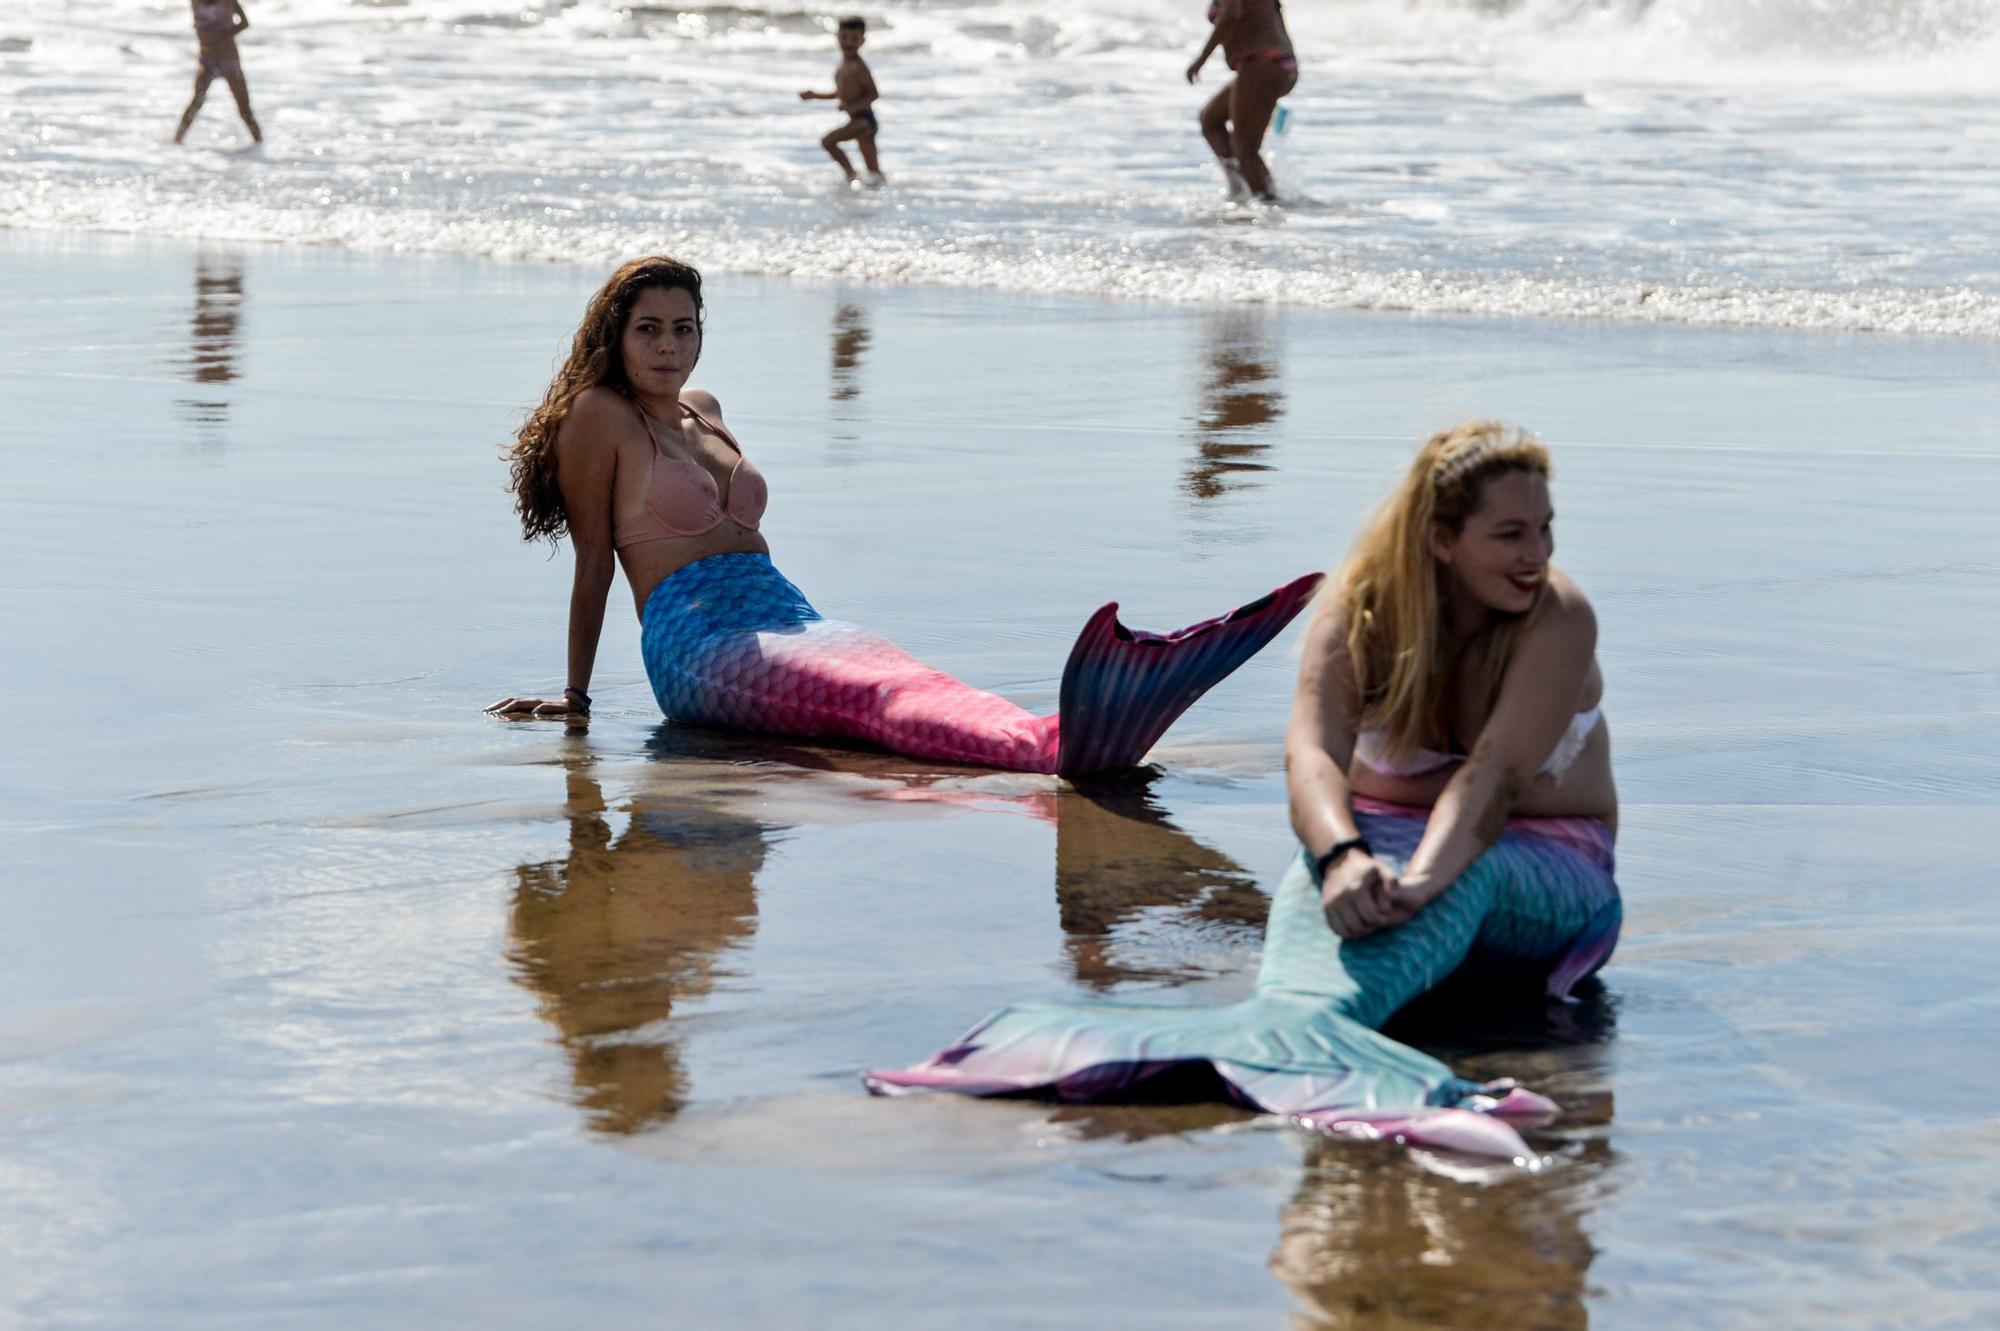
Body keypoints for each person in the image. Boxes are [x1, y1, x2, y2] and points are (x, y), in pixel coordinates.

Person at [869, 423, 1623, 1159]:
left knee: (1465, 876)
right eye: (1512, 533)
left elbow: (1493, 777)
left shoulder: (1555, 618)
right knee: (1301, 957)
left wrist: (1419, 881)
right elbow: (1312, 760)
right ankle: (1282, 1049)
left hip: (1545, 866)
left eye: (1546, 529)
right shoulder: (1360, 614)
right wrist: (1340, 860)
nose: (1538, 554)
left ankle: (1358, 1067)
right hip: (1381, 847)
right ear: (1439, 538)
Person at [488, 257, 1321, 776]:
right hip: (696, 642)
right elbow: (595, 563)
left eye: (683, 328)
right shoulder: (600, 415)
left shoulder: (703, 407)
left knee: (913, 682)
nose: (668, 347)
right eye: (648, 330)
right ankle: (1053, 746)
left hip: (788, 610)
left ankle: (1063, 727)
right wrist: (576, 699)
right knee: (873, 699)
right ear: (615, 335)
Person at [1185, 0, 1296, 202]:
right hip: (1271, 62)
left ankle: (1269, 205)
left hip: (1262, 63)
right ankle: (1241, 192)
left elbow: (1231, 13)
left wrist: (1201, 59)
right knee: (1210, 119)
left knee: (1245, 149)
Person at [798, 16, 885, 187]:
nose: (849, 42)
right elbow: (842, 93)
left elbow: (873, 94)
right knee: (874, 172)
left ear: (863, 41)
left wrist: (853, 106)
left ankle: (851, 175)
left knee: (828, 141)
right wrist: (815, 95)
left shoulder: (859, 66)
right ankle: (874, 196)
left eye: (854, 39)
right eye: (844, 37)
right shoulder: (843, 64)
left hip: (864, 120)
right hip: (858, 120)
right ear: (837, 37)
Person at [174, 0, 262, 146]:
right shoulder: (195, 2)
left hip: (229, 61)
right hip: (207, 60)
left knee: (244, 110)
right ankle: (175, 143)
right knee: (196, 102)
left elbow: (245, 23)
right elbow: (198, 25)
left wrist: (222, 35)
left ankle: (260, 146)